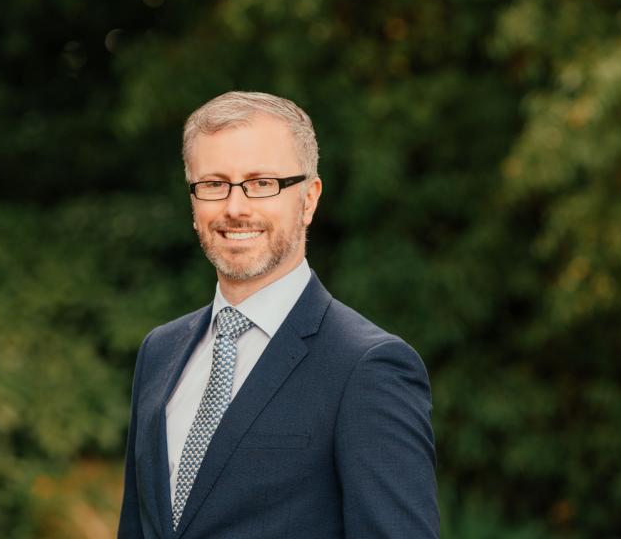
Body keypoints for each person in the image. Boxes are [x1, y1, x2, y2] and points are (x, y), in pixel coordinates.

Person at [117, 91, 438, 538]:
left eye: (261, 183)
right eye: (213, 184)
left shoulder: (366, 367)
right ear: (193, 203)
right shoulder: (160, 352)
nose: (235, 207)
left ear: (308, 199)